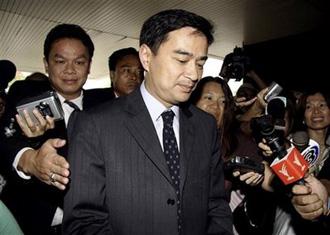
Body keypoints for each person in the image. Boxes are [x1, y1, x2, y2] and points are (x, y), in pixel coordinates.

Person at [63, 9, 233, 235]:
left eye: (200, 63)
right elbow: (83, 222)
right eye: (182, 60)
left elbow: (216, 205)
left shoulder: (205, 126)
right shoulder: (94, 125)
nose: (194, 74)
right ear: (146, 56)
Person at [0, 23, 109, 235]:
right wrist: (29, 159)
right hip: (33, 223)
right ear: (46, 64)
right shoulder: (26, 99)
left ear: (89, 65)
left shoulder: (106, 104)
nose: (70, 70)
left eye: (79, 62)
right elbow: (3, 141)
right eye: (60, 61)